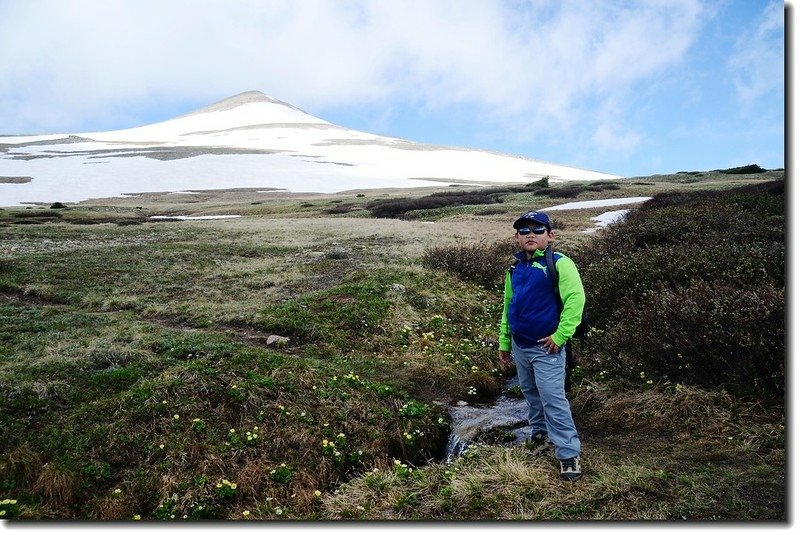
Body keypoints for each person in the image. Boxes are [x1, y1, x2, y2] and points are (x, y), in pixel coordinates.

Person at [498, 210, 586, 481]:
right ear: (517, 237)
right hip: (520, 345)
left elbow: (576, 300)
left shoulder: (560, 263)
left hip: (547, 348)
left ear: (550, 235)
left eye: (537, 230)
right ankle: (539, 434)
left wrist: (559, 337)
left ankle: (568, 454)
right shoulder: (515, 268)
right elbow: (508, 306)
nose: (530, 235)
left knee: (553, 399)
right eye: (524, 231)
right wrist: (504, 341)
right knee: (530, 392)